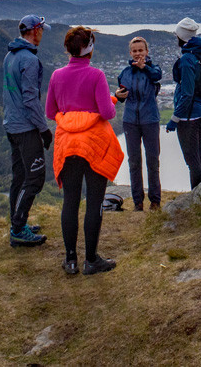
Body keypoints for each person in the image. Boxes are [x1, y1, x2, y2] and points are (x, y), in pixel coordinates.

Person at [46, 26, 124, 276]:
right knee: (94, 202)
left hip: (67, 145)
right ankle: (91, 260)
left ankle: (70, 260)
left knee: (70, 201)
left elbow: (50, 112)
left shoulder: (57, 76)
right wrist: (111, 99)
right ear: (89, 48)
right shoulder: (96, 75)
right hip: (93, 144)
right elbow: (108, 113)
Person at [3, 14, 52, 248]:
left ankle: (17, 222)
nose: (42, 33)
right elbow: (30, 99)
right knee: (35, 178)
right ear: (34, 31)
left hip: (11, 125)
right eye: (41, 29)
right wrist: (44, 129)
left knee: (20, 177)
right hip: (26, 127)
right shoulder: (30, 60)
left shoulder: (10, 55)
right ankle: (18, 229)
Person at [114, 37, 163, 211]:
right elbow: (121, 94)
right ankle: (138, 202)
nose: (138, 54)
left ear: (147, 52)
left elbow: (157, 76)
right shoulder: (125, 72)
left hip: (150, 119)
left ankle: (155, 201)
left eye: (141, 50)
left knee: (152, 161)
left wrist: (145, 67)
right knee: (134, 161)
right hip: (130, 121)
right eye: (134, 51)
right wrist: (118, 95)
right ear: (130, 53)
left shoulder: (154, 69)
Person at [167, 17, 201, 189]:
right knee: (199, 156)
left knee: (192, 161)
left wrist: (174, 119)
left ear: (181, 36)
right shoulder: (200, 53)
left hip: (189, 117)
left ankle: (198, 197)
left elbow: (187, 94)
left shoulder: (187, 59)